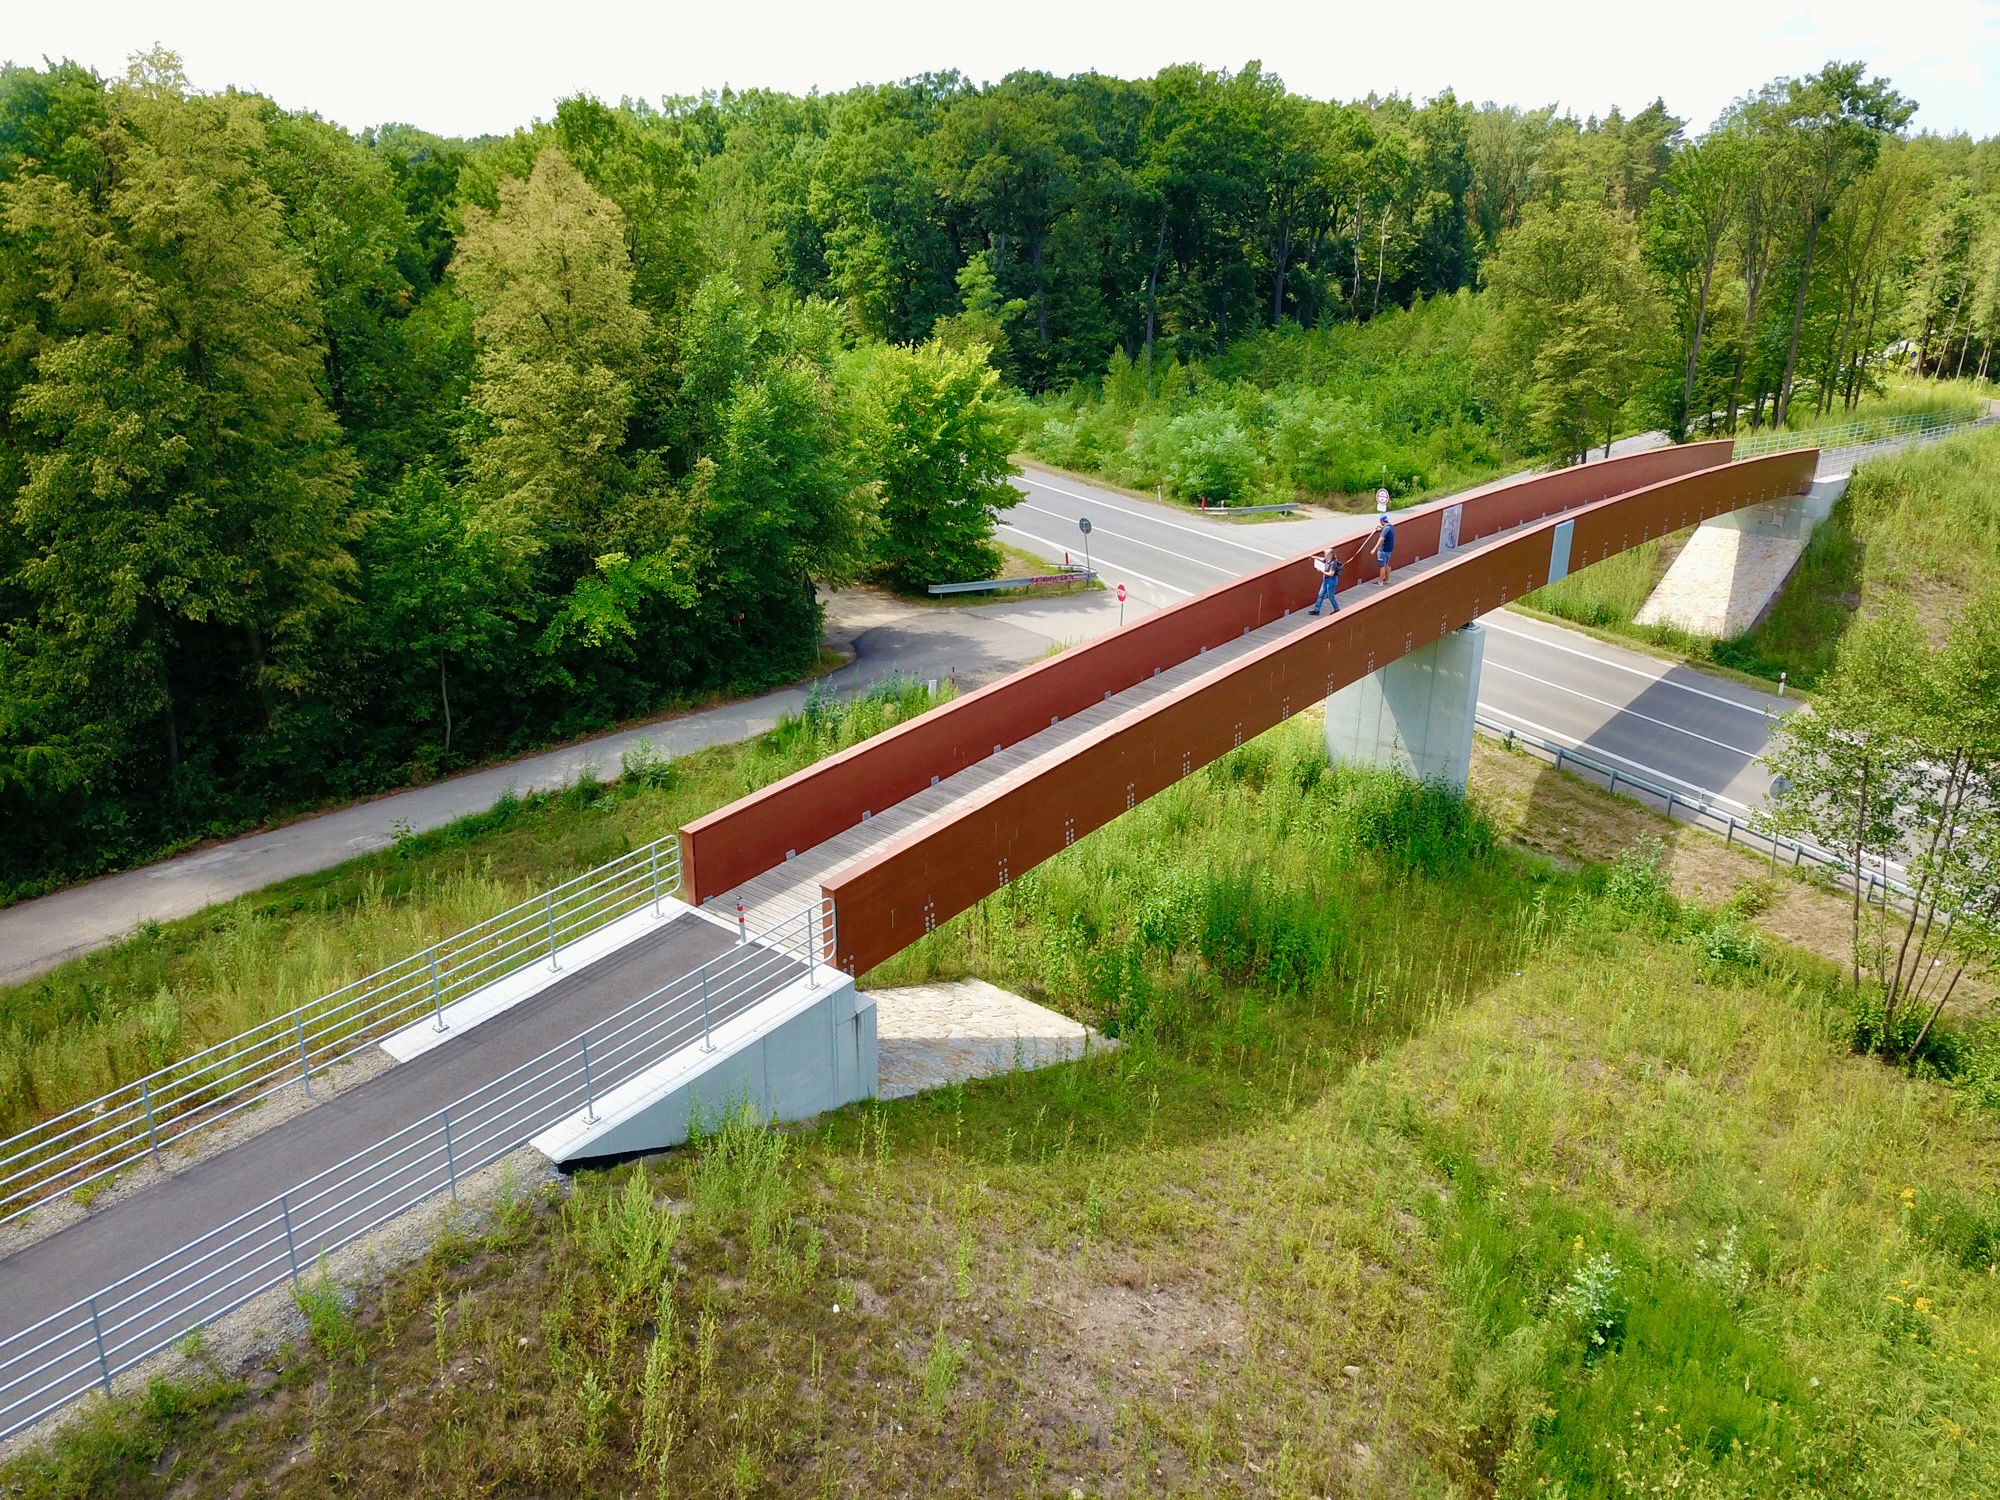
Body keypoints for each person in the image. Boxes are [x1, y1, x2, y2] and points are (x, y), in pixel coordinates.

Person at [1367, 509, 1397, 585]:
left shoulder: (1385, 529)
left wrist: (1374, 549)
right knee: (1386, 564)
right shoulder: (1391, 527)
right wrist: (1380, 527)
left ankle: (1380, 582)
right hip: (1389, 549)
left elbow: (1381, 539)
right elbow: (1386, 529)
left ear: (1381, 521)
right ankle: (1387, 579)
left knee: (1382, 566)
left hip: (1383, 550)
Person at [1310, 545, 1341, 614]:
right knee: (1320, 594)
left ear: (1329, 555)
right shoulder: (1327, 559)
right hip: (1326, 580)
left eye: (1325, 554)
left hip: (1331, 581)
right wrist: (1313, 557)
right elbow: (1321, 559)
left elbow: (1331, 574)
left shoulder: (1333, 563)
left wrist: (1322, 571)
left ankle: (1336, 608)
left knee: (1330, 596)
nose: (1324, 555)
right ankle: (1316, 610)